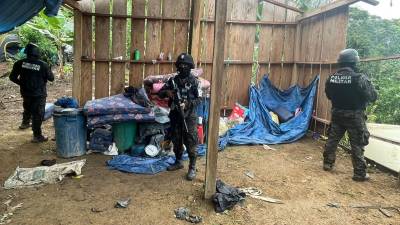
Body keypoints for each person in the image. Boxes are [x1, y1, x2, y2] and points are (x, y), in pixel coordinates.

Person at [323, 48, 377, 182]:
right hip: (354, 116)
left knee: (332, 140)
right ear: (354, 62)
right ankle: (359, 173)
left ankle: (327, 164)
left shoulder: (331, 78)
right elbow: (372, 97)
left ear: (340, 63)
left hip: (337, 114)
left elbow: (329, 96)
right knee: (357, 144)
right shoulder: (359, 78)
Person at [158, 53, 201, 181]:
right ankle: (178, 161)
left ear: (190, 67)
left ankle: (192, 167)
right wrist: (168, 93)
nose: (183, 67)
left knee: (191, 140)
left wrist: (188, 104)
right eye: (180, 65)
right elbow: (160, 94)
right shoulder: (173, 81)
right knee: (177, 139)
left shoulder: (194, 82)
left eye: (185, 65)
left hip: (189, 116)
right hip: (175, 115)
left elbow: (199, 99)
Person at [9, 43, 54, 143]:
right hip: (39, 94)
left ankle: (25, 123)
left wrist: (22, 83)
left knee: (27, 107)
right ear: (37, 53)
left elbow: (12, 77)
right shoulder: (43, 65)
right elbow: (51, 78)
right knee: (38, 114)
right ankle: (37, 136)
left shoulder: (19, 63)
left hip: (26, 92)